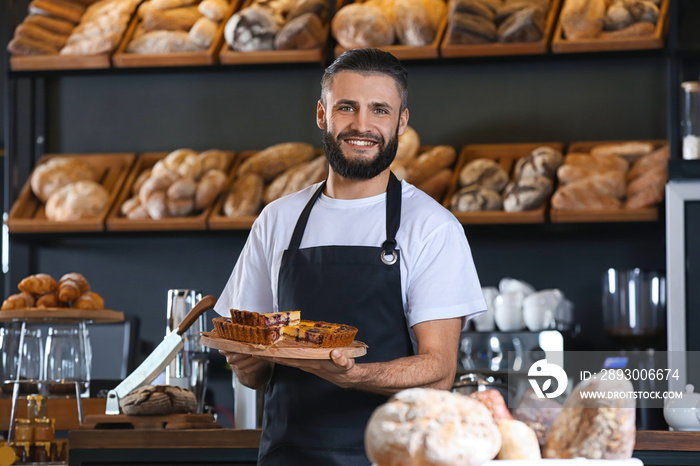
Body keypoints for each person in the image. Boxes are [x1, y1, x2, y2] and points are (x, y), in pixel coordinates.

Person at [215, 47, 486, 465]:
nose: (362, 125)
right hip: (288, 457)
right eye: (347, 107)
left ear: (401, 121)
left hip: (390, 458)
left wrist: (353, 375)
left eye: (380, 110)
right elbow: (256, 370)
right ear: (322, 115)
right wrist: (245, 361)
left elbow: (439, 371)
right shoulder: (277, 220)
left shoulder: (432, 226)